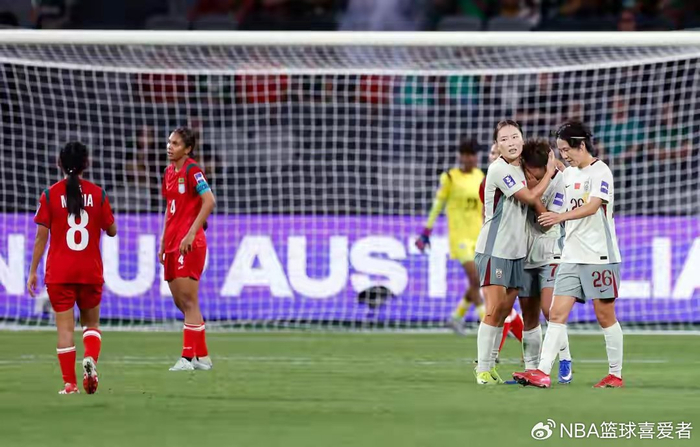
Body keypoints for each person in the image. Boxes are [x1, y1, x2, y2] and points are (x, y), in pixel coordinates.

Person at [513, 121, 623, 388]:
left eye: (566, 149)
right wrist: (552, 170)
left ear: (581, 145)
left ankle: (615, 374)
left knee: (605, 316)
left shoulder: (601, 171)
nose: (564, 154)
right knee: (556, 313)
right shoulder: (569, 174)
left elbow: (593, 206)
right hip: (570, 255)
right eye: (560, 150)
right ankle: (542, 371)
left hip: (599, 255)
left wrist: (559, 217)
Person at [27, 142, 117, 395]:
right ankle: (90, 359)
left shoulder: (49, 195)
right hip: (90, 271)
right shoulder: (98, 194)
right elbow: (112, 230)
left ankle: (70, 385)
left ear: (59, 163)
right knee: (92, 324)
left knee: (65, 329)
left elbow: (41, 237)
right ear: (86, 164)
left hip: (60, 273)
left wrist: (32, 271)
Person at [473, 120, 556, 385]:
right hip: (494, 250)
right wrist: (549, 173)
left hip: (517, 253)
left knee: (504, 311)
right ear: (497, 145)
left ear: (522, 138)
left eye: (515, 136)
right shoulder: (499, 169)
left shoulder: (522, 166)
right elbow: (529, 197)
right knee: (494, 310)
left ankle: (492, 368)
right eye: (504, 139)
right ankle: (483, 369)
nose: (511, 142)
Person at [159, 127, 216, 371]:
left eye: (176, 144)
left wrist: (192, 233)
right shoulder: (168, 172)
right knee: (181, 303)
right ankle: (202, 357)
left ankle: (187, 357)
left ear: (188, 149)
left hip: (190, 243)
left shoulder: (193, 171)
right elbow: (170, 206)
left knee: (189, 300)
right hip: (172, 242)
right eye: (169, 142)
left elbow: (209, 201)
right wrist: (163, 241)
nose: (170, 147)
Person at [416, 139, 486, 335]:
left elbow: (484, 208)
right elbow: (437, 205)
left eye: (473, 155)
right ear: (461, 156)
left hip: (478, 235)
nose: (471, 158)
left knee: (477, 281)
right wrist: (426, 231)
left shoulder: (480, 176)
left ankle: (456, 317)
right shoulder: (449, 177)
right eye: (467, 155)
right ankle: (487, 324)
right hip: (459, 237)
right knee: (474, 278)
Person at [518, 138, 573, 384]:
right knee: (528, 315)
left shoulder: (559, 181)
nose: (530, 177)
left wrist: (534, 195)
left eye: (535, 173)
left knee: (550, 310)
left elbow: (547, 222)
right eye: (527, 172)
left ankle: (565, 359)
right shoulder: (519, 176)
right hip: (523, 253)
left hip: (551, 252)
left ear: (545, 168)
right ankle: (530, 369)